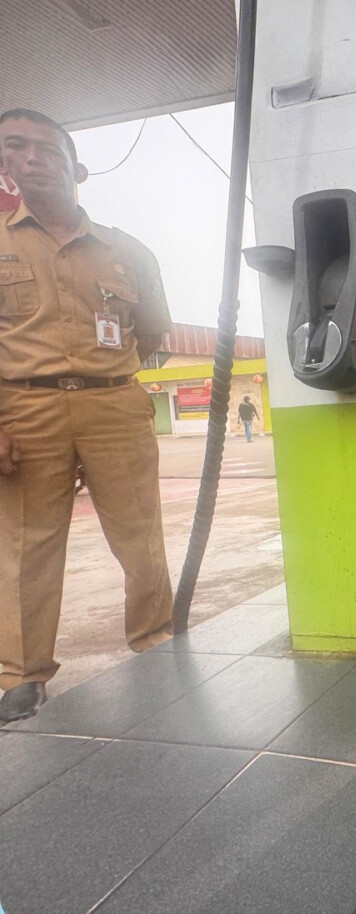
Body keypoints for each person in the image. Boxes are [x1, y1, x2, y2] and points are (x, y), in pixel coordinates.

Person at [0, 109, 174, 722]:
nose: (30, 157)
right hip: (22, 409)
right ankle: (23, 675)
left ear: (78, 168)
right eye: (14, 147)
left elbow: (151, 331)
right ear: (3, 166)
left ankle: (155, 645)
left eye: (45, 148)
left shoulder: (128, 251)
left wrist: (104, 377)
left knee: (139, 536)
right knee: (25, 544)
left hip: (114, 404)